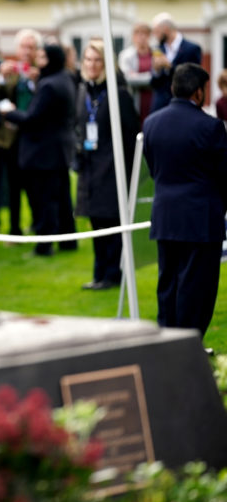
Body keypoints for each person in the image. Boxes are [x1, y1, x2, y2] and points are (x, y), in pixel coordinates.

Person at [143, 63, 227, 337]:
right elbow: (224, 175)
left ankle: (168, 343)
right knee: (197, 289)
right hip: (201, 219)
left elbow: (153, 167)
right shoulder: (210, 127)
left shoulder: (151, 122)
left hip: (166, 214)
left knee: (168, 284)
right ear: (199, 92)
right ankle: (189, 347)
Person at [74, 39, 139, 290]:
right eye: (88, 60)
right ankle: (99, 273)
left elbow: (131, 133)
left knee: (110, 224)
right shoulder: (82, 91)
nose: (92, 65)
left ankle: (112, 274)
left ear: (107, 63)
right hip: (89, 167)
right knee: (95, 223)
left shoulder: (118, 93)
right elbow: (79, 125)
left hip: (112, 170)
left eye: (97, 60)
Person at [2, 44, 77, 257]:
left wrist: (9, 113)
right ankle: (68, 241)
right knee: (62, 199)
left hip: (44, 152)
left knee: (45, 201)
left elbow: (32, 119)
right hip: (60, 149)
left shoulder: (49, 85)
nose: (38, 59)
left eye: (43, 56)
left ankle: (44, 246)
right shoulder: (65, 77)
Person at [0, 28, 43, 237]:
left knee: (35, 186)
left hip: (34, 137)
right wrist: (2, 78)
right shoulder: (10, 69)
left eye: (31, 47)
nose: (27, 51)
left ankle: (38, 225)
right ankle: (15, 230)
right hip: (13, 138)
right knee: (13, 186)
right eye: (23, 46)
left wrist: (36, 80)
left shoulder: (40, 71)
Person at [149, 13, 202, 113]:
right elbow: (153, 84)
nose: (155, 35)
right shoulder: (158, 49)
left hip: (183, 107)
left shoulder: (192, 49)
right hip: (159, 107)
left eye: (157, 31)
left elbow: (193, 78)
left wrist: (169, 66)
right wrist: (156, 71)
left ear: (166, 29)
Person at [119, 22, 154, 122]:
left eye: (145, 34)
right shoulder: (126, 55)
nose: (142, 37)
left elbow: (163, 77)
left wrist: (137, 76)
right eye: (138, 33)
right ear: (133, 36)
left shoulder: (156, 53)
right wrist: (152, 77)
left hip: (152, 101)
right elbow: (128, 79)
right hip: (135, 100)